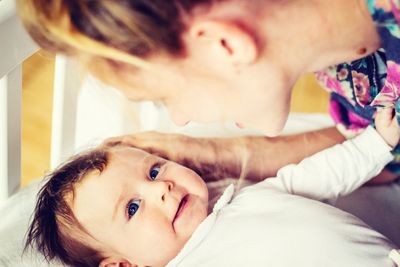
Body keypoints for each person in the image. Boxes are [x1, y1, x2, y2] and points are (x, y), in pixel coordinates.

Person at [16, 0, 400, 182]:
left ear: (224, 45)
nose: (179, 117)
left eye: (165, 99)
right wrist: (225, 156)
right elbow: (385, 152)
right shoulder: (347, 65)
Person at [25, 108, 400, 267]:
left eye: (154, 171)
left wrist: (376, 143)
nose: (161, 190)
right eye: (133, 208)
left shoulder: (249, 196)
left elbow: (321, 174)